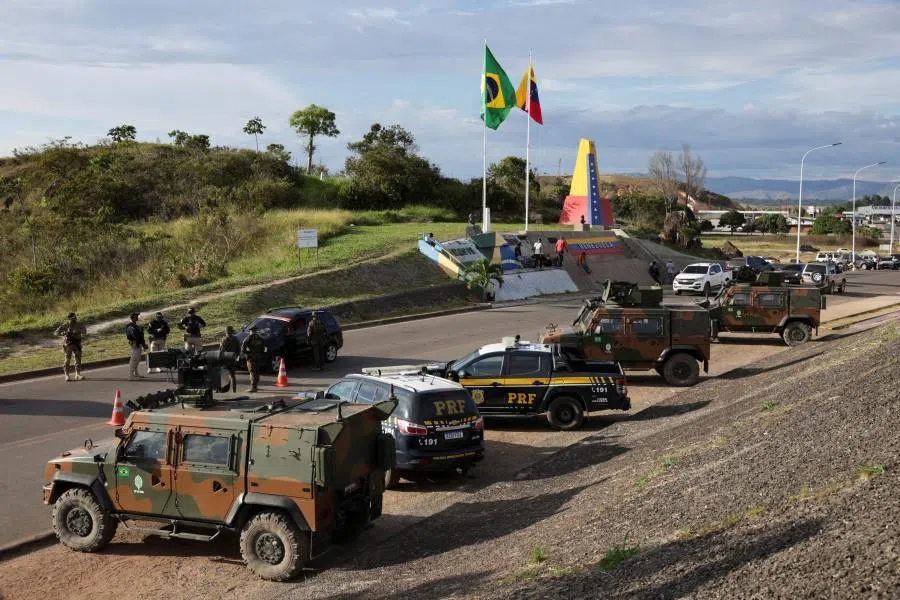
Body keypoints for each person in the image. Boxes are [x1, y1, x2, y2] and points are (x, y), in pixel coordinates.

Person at [54, 312, 86, 382]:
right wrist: (63, 333)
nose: (74, 319)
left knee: (78, 358)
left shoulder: (79, 324)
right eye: (72, 318)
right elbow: (56, 332)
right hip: (68, 344)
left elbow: (84, 331)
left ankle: (77, 374)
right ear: (69, 318)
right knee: (67, 359)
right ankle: (67, 375)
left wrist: (77, 331)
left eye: (74, 317)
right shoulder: (66, 325)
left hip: (77, 343)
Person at [241, 325, 266, 392]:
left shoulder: (248, 338)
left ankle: (253, 387)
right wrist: (260, 354)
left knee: (252, 372)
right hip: (258, 356)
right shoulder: (260, 338)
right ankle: (256, 386)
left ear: (250, 331)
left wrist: (248, 354)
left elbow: (243, 350)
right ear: (255, 331)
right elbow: (263, 348)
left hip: (251, 357)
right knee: (257, 371)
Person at [125, 312, 148, 380]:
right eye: (136, 316)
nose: (137, 317)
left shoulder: (135, 326)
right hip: (135, 344)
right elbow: (136, 336)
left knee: (137, 359)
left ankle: (135, 373)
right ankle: (131, 375)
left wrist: (143, 344)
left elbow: (140, 336)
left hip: (137, 343)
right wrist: (142, 344)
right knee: (134, 359)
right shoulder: (131, 326)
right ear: (132, 317)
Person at [219, 326, 241, 393]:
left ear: (226, 331)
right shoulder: (236, 339)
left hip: (225, 359)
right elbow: (239, 350)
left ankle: (223, 391)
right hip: (232, 359)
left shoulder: (224, 339)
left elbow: (221, 350)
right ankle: (234, 391)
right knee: (233, 376)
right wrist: (235, 356)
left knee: (224, 376)